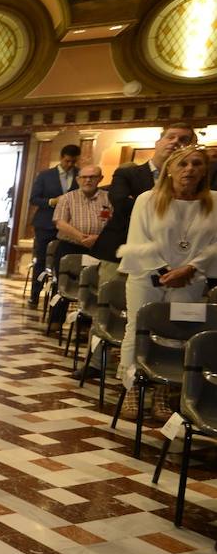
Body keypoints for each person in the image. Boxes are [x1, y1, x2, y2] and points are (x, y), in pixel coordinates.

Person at [116, 145, 217, 415]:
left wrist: (190, 268)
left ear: (204, 171)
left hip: (191, 278)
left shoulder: (214, 201)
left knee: (178, 333)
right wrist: (166, 273)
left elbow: (215, 244)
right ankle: (132, 388)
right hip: (147, 275)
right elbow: (139, 238)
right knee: (137, 329)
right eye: (183, 164)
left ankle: (162, 390)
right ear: (169, 169)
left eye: (197, 164)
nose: (190, 169)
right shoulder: (148, 199)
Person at [93, 124, 197, 285]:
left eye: (183, 139)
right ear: (158, 142)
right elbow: (121, 204)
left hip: (171, 255)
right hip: (122, 249)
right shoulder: (127, 174)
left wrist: (139, 202)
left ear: (189, 148)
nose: (175, 142)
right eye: (170, 137)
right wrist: (168, 209)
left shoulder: (190, 181)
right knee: (112, 299)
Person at [28, 144, 80, 306]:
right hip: (45, 224)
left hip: (69, 225)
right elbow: (34, 199)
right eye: (67, 161)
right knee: (41, 260)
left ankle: (59, 297)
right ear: (61, 158)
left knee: (63, 262)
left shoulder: (80, 176)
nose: (70, 164)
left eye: (73, 162)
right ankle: (35, 295)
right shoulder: (45, 175)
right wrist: (51, 201)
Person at [53, 162, 112, 261]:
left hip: (101, 248)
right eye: (84, 177)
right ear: (78, 179)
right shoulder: (67, 198)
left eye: (92, 177)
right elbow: (60, 223)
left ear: (100, 178)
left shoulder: (110, 198)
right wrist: (82, 238)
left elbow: (115, 224)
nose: (88, 180)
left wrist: (98, 238)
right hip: (70, 248)